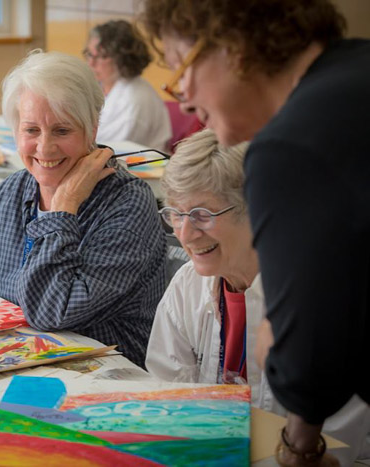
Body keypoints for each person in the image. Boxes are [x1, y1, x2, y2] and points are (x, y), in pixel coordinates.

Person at [142, 1, 370, 464]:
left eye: (180, 68)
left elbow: (308, 366)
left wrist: (279, 356)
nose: (183, 98)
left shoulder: (290, 145)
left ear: (233, 45)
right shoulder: (356, 73)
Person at [0, 50, 167, 367]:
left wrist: (62, 209)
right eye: (31, 130)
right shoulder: (11, 191)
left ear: (92, 128)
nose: (45, 147)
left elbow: (51, 314)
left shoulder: (127, 202)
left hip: (106, 372)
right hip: (19, 358)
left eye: (62, 130)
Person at [84, 20, 171, 152]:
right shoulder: (101, 86)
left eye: (102, 56)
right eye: (90, 54)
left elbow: (107, 150)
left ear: (122, 58)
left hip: (137, 162)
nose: (91, 63)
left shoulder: (134, 100)